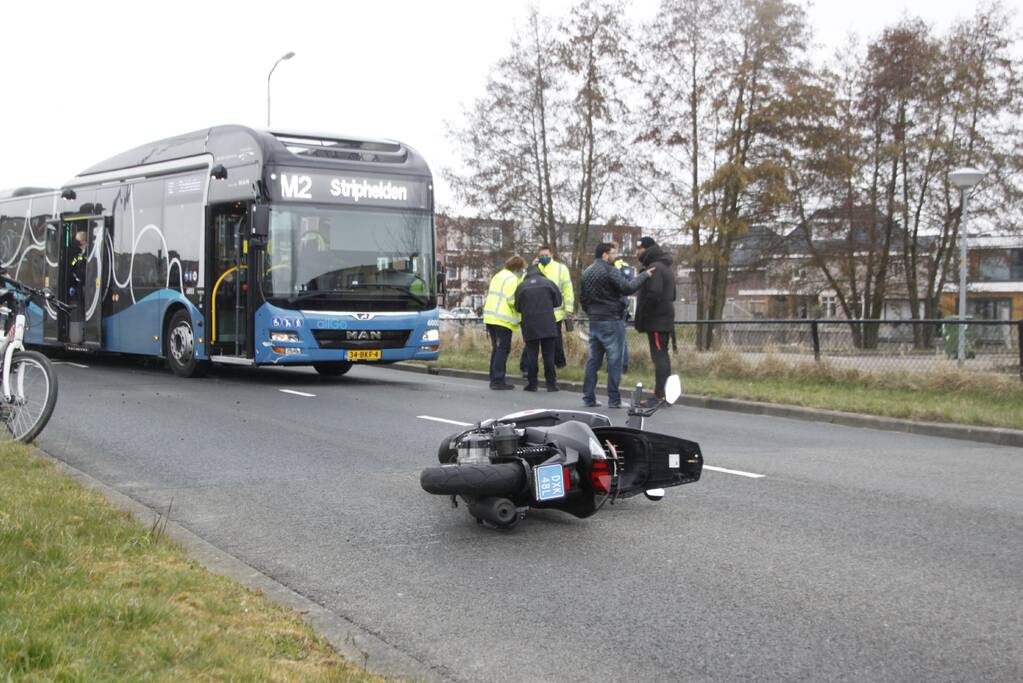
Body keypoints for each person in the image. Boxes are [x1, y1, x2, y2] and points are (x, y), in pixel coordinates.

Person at [578, 243, 652, 408]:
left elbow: (582, 298)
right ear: (605, 255)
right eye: (613, 253)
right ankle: (614, 399)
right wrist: (645, 275)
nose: (616, 256)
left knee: (593, 361)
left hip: (595, 321)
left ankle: (588, 397)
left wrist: (591, 312)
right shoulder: (610, 271)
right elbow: (628, 288)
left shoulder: (587, 272)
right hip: (612, 320)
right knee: (614, 360)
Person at [634, 236, 676, 403]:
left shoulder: (655, 268)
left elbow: (654, 294)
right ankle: (665, 393)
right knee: (662, 356)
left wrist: (644, 313)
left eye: (639, 249)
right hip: (663, 318)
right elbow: (672, 294)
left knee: (659, 357)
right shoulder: (665, 267)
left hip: (657, 320)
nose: (637, 252)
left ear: (647, 249)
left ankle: (659, 395)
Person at [514, 263, 563, 392]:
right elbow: (558, 302)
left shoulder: (522, 286)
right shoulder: (548, 283)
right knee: (549, 355)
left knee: (532, 354)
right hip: (548, 324)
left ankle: (532, 384)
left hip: (529, 325)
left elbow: (517, 307)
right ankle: (551, 384)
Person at [483, 255, 526, 390]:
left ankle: (493, 377)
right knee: (503, 349)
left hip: (490, 318)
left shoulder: (498, 276)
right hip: (502, 319)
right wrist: (523, 308)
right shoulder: (512, 279)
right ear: (518, 268)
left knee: (496, 349)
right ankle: (498, 380)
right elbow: (511, 299)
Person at [614, 255, 636, 374]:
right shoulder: (625, 267)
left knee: (619, 338)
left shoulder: (619, 267)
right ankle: (621, 365)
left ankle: (621, 365)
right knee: (619, 338)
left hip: (617, 307)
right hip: (620, 305)